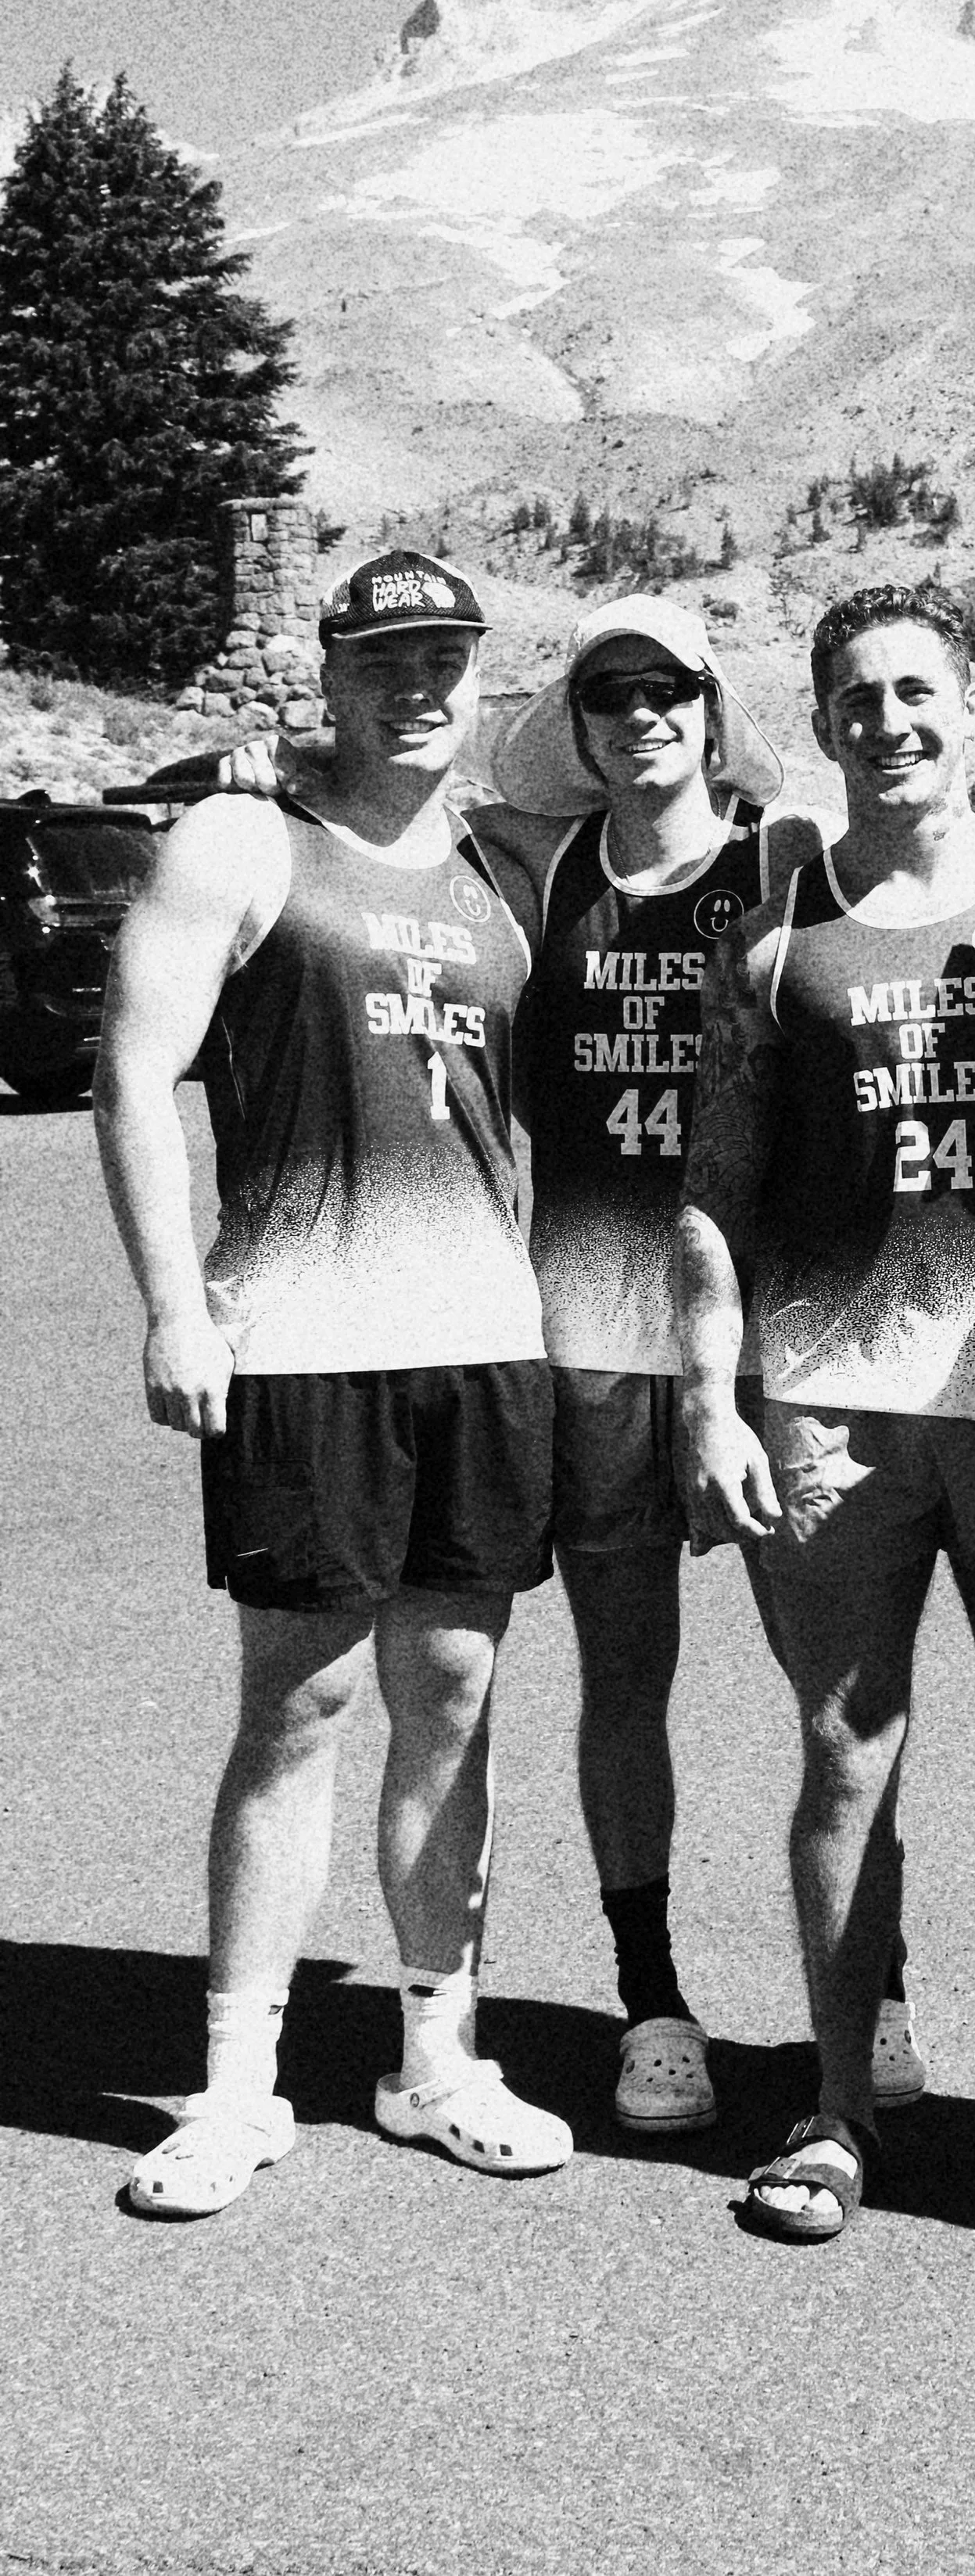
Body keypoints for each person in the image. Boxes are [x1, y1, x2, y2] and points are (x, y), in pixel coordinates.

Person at [208, 595, 975, 2132]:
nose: (641, 714)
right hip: (584, 1342)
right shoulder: (532, 868)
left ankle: (869, 1998)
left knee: (835, 1706)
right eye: (609, 691)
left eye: (670, 686)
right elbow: (379, 834)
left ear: (716, 706)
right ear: (579, 718)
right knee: (626, 1682)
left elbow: (950, 871)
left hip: (764, 1347)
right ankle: (651, 1998)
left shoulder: (777, 867)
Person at [95, 550, 572, 2215]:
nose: (416, 686)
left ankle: (437, 2054)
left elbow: (689, 785)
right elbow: (137, 1075)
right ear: (333, 670)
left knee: (451, 1696)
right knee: (296, 1709)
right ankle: (234, 2088)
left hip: (480, 1335)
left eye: (445, 655)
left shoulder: (511, 866)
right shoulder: (244, 839)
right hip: (302, 1335)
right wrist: (175, 1307)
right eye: (383, 659)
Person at [678, 580, 975, 2242]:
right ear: (820, 723)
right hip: (824, 1401)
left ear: (971, 706)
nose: (889, 721)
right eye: (857, 696)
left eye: (916, 690)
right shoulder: (775, 935)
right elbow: (710, 1192)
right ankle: (838, 2104)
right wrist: (710, 1404)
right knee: (839, 1755)